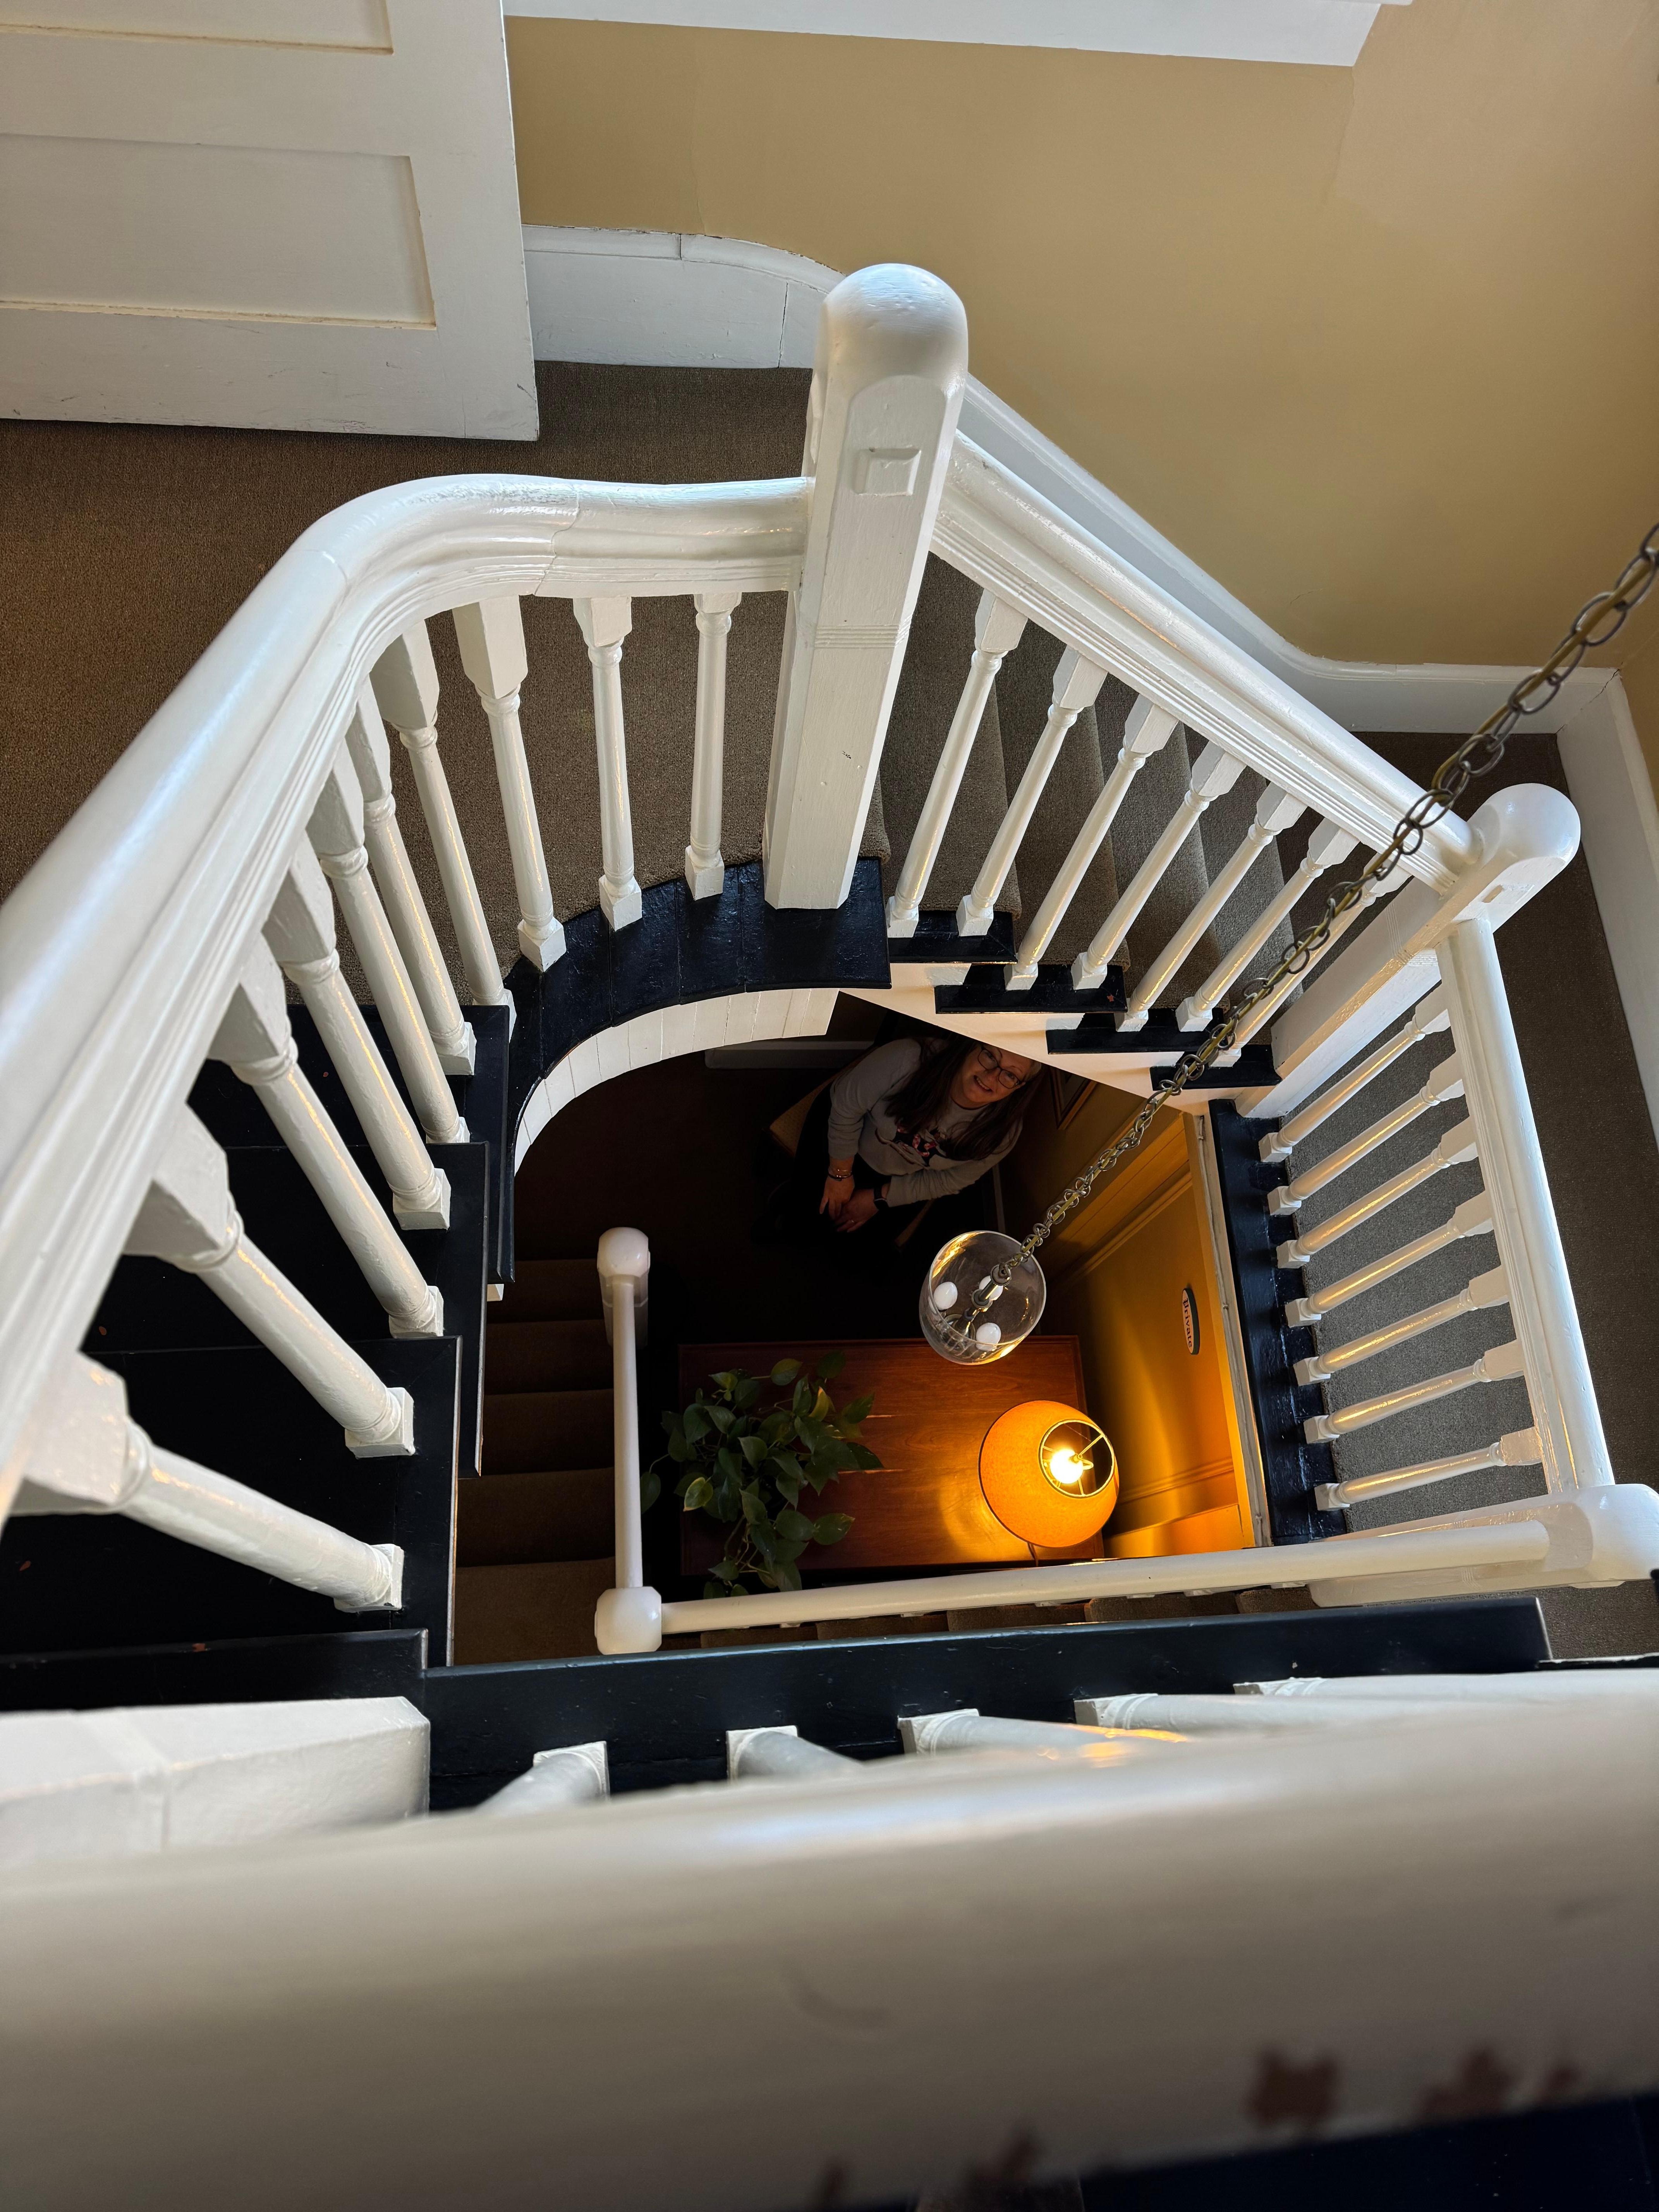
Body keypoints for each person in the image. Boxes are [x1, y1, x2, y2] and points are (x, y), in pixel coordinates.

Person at [801, 1033, 1039, 1241]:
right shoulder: (908, 1058)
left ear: (1018, 1087)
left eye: (1010, 1076)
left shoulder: (1002, 1133)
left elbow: (951, 1180)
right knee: (807, 1207)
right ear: (972, 1045)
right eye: (990, 1056)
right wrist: (840, 1173)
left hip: (896, 1178)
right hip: (845, 1137)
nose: (991, 1076)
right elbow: (846, 1106)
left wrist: (877, 1199)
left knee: (862, 1244)